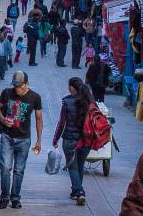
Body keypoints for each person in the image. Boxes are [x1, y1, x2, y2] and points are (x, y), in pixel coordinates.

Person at [0, 71, 43, 209]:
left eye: (20, 86)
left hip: (24, 139)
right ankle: (4, 196)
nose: (17, 89)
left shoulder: (35, 97)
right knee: (5, 167)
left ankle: (15, 197)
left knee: (19, 170)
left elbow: (39, 119)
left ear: (27, 84)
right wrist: (2, 119)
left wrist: (39, 140)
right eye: (15, 86)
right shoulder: (6, 93)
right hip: (7, 136)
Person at [53, 77, 94, 206]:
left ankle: (80, 191)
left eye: (69, 85)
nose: (68, 88)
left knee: (72, 166)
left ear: (73, 87)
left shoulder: (67, 102)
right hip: (86, 141)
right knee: (79, 166)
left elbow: (61, 123)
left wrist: (56, 138)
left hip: (70, 140)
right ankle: (75, 191)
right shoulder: (90, 101)